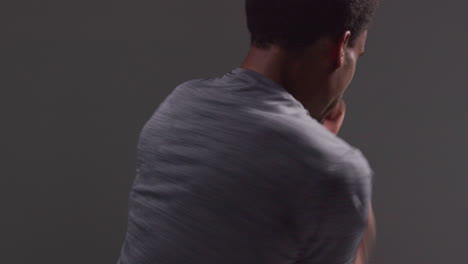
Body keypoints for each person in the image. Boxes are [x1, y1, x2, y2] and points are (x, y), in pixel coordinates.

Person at [117, 0, 378, 263]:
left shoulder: (177, 105)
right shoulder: (336, 172)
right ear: (341, 48)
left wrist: (318, 146)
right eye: (360, 54)